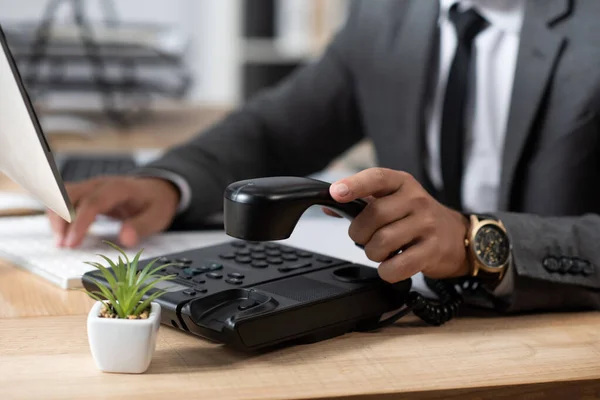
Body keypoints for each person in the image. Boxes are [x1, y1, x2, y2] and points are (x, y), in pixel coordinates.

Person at [47, 0, 600, 313]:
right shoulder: (387, 16)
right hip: (414, 332)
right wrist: (168, 184)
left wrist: (471, 243)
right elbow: (273, 130)